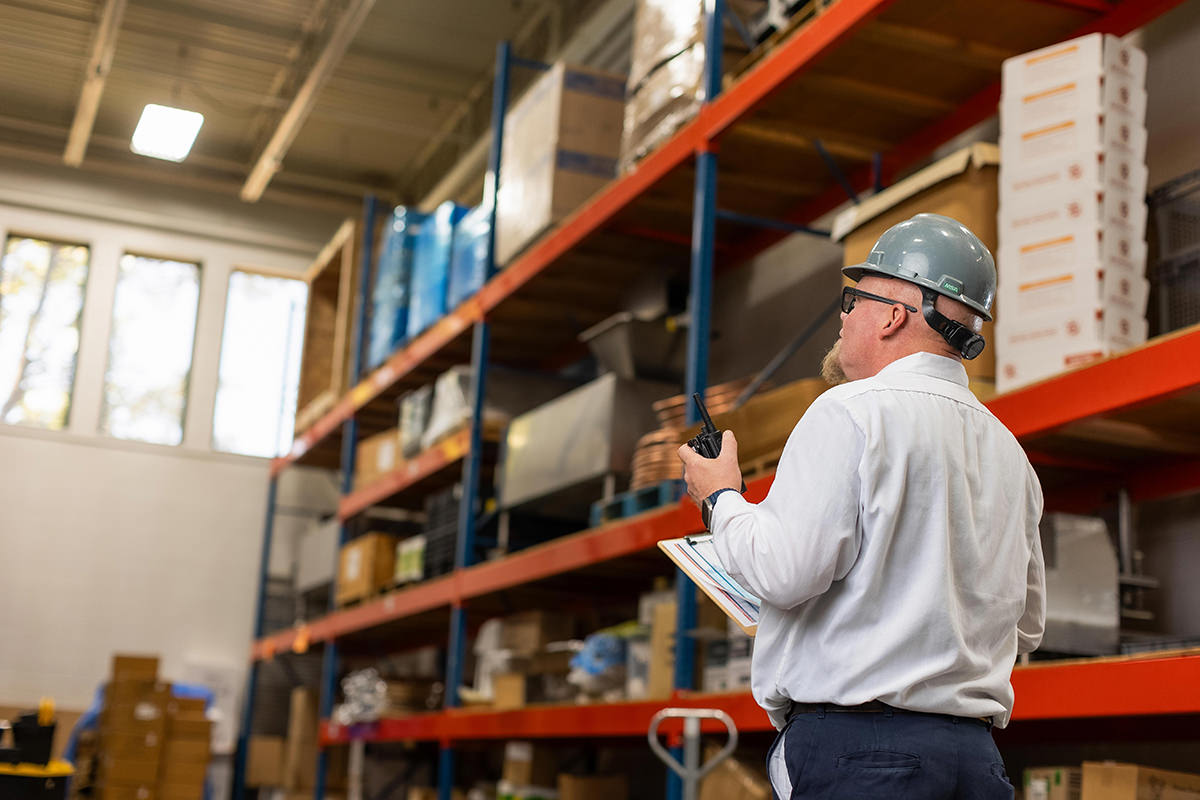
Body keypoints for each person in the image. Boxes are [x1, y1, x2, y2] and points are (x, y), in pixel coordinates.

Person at [677, 213, 1045, 799]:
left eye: (853, 300)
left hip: (862, 758)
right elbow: (1024, 628)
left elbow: (784, 572)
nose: (842, 318)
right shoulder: (1010, 454)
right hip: (975, 763)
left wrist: (719, 496)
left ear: (895, 314)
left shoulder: (850, 410)